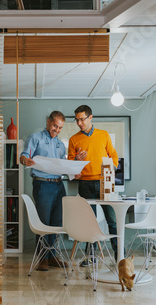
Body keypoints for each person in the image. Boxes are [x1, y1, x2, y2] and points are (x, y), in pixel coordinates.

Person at [68, 105, 119, 258]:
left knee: (112, 221)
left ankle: (119, 256)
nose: (79, 123)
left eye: (82, 119)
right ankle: (90, 257)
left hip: (105, 181)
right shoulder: (74, 139)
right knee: (89, 222)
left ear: (90, 117)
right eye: (77, 120)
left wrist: (111, 169)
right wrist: (76, 160)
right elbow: (70, 165)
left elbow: (114, 156)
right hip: (85, 184)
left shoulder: (104, 135)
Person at [20, 111, 68, 271]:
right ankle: (42, 258)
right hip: (43, 185)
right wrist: (25, 160)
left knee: (57, 222)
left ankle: (53, 256)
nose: (57, 130)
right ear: (48, 122)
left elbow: (63, 165)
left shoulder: (61, 145)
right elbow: (24, 155)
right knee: (43, 222)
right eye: (55, 126)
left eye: (60, 128)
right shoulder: (36, 138)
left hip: (59, 185)